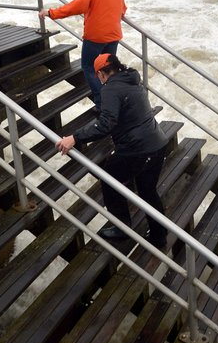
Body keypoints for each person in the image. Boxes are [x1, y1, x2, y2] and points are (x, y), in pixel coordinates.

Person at [56, 53, 169, 247]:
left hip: (138, 149)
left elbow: (105, 124)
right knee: (148, 191)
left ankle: (122, 227)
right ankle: (159, 236)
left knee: (110, 180)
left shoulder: (110, 89)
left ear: (101, 74)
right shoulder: (133, 80)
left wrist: (75, 137)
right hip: (157, 143)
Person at [39, 0, 127, 111]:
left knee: (89, 67)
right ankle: (116, 101)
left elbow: (81, 4)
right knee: (109, 70)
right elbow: (123, 7)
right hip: (113, 34)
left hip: (96, 35)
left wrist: (52, 13)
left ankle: (103, 106)